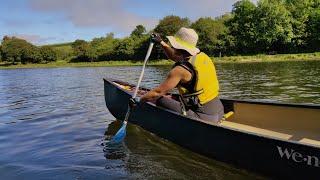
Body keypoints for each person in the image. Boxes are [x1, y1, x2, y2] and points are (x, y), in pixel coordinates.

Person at [132, 27, 224, 123]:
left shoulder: (179, 70)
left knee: (159, 99)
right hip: (219, 110)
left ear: (177, 47)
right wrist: (161, 42)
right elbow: (174, 56)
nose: (172, 46)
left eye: (173, 44)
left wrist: (138, 100)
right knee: (174, 97)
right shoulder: (202, 57)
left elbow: (157, 93)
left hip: (204, 118)